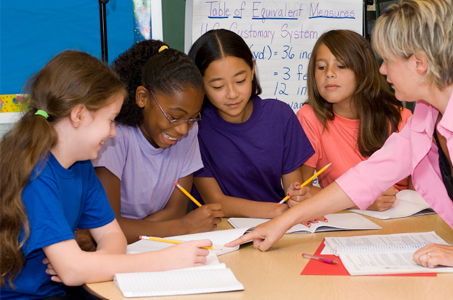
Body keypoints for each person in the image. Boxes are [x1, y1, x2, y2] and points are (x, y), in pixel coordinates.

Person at [228, 0, 453, 283]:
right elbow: (370, 175)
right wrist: (284, 221)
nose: (381, 71)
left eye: (388, 60)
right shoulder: (428, 111)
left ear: (419, 63)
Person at [0, 50, 212, 299]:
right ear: (79, 115)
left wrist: (90, 264)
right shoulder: (37, 176)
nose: (113, 133)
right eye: (110, 120)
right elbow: (71, 271)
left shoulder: (81, 167)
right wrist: (167, 259)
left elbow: (113, 235)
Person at [85, 40, 223, 246]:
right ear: (142, 97)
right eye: (175, 116)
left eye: (193, 117)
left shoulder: (188, 130)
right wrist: (184, 227)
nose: (183, 129)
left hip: (146, 247)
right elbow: (108, 225)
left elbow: (175, 211)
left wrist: (130, 229)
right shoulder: (115, 135)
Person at [188, 29, 315, 218]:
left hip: (277, 227)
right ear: (200, 83)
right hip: (221, 232)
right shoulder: (194, 129)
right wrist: (280, 211)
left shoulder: (280, 116)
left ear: (252, 68)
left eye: (240, 80)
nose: (232, 94)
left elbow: (292, 190)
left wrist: (296, 198)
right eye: (218, 87)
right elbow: (216, 202)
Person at [295, 29, 412, 211]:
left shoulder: (402, 118)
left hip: (405, 218)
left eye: (340, 66)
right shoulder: (310, 117)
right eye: (321, 67)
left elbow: (424, 190)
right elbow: (302, 191)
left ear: (363, 71)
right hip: (348, 223)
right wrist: (362, 201)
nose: (329, 73)